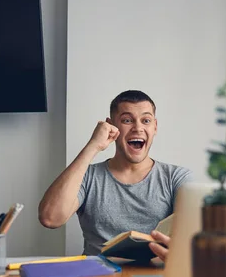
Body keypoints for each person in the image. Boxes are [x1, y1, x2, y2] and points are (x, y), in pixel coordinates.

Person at [38, 90, 192, 261]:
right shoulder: (88, 176)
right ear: (111, 126)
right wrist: (93, 146)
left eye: (146, 121)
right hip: (97, 275)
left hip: (154, 275)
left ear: (155, 127)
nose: (138, 128)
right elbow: (50, 218)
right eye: (127, 120)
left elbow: (193, 233)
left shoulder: (176, 178)